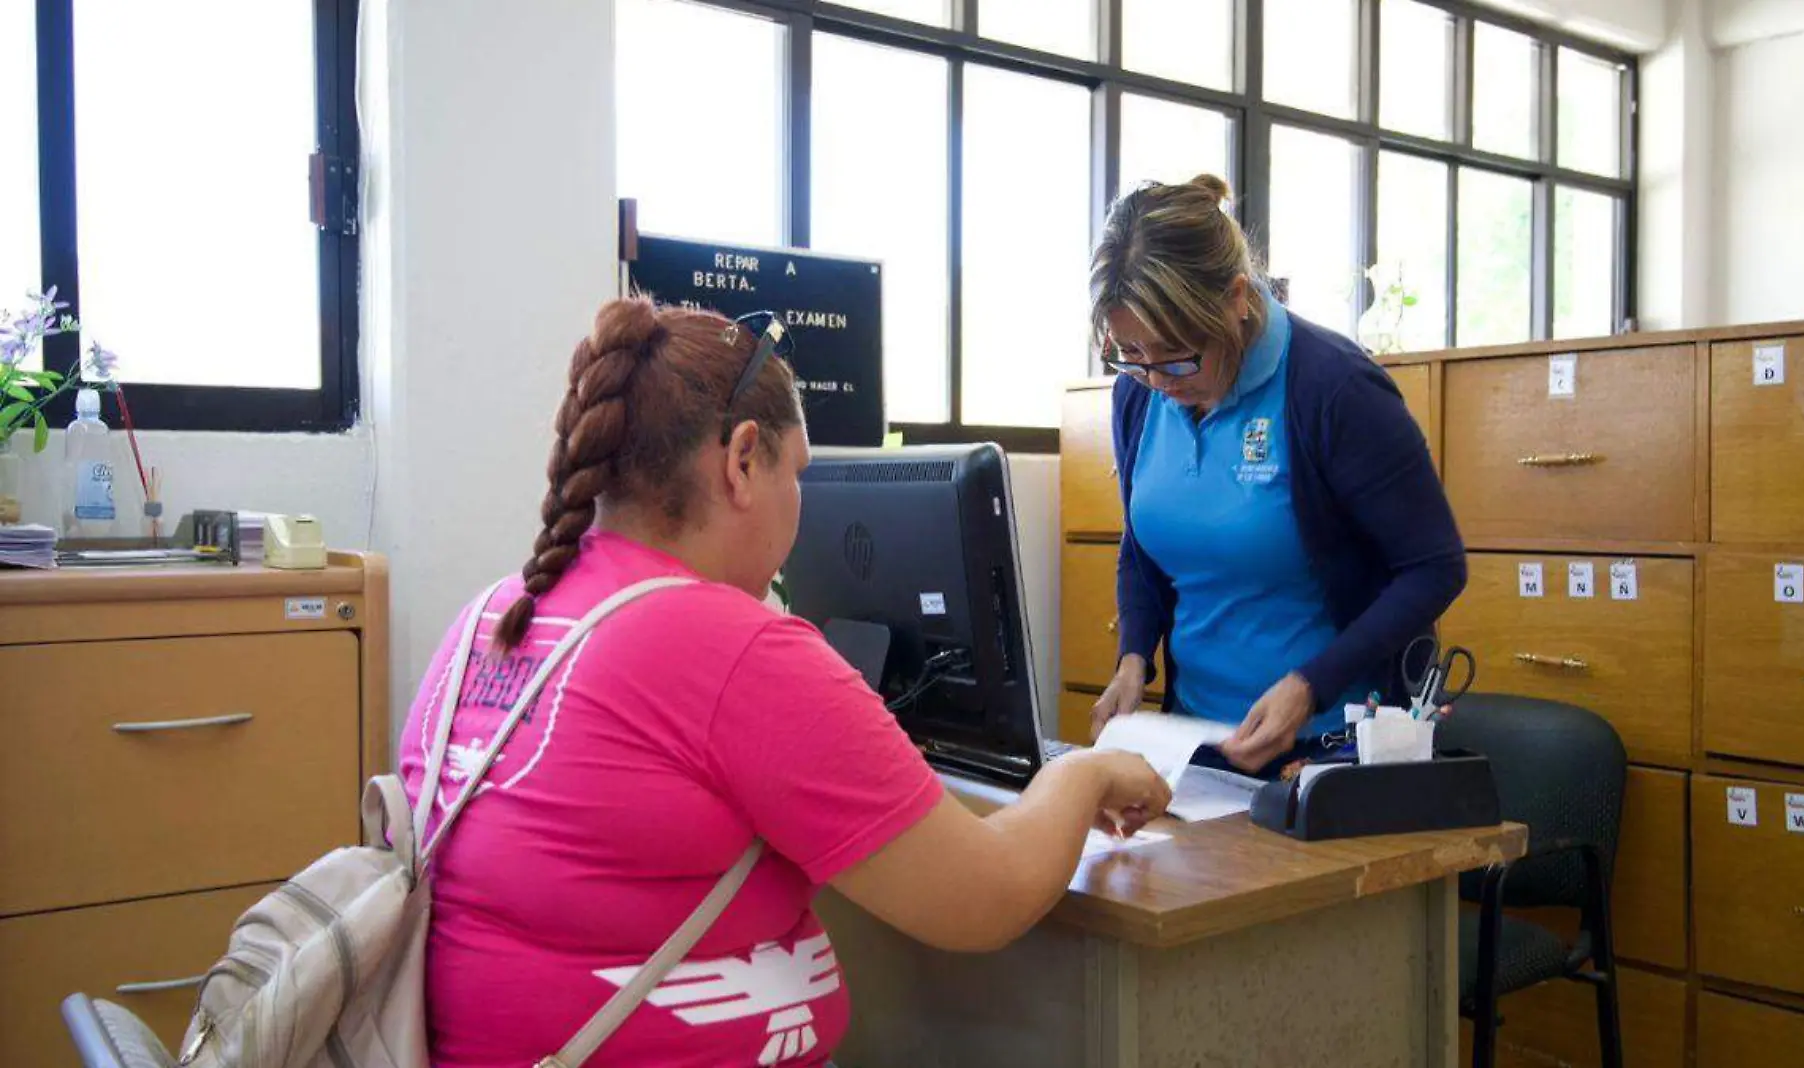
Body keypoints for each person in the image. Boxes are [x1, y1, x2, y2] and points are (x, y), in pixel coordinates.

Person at [398, 296, 1171, 1068]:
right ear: (740, 461)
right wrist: (1084, 771)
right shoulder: (735, 651)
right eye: (796, 470)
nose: (801, 506)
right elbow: (987, 896)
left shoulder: (487, 621)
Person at [1087, 174, 1466, 777]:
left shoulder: (1335, 389)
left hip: (1326, 746)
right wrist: (1134, 657)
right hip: (1196, 743)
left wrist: (1310, 685)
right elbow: (1142, 548)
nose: (1157, 378)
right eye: (1131, 354)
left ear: (1237, 298)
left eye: (1176, 352)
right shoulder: (1139, 395)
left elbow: (1435, 566)